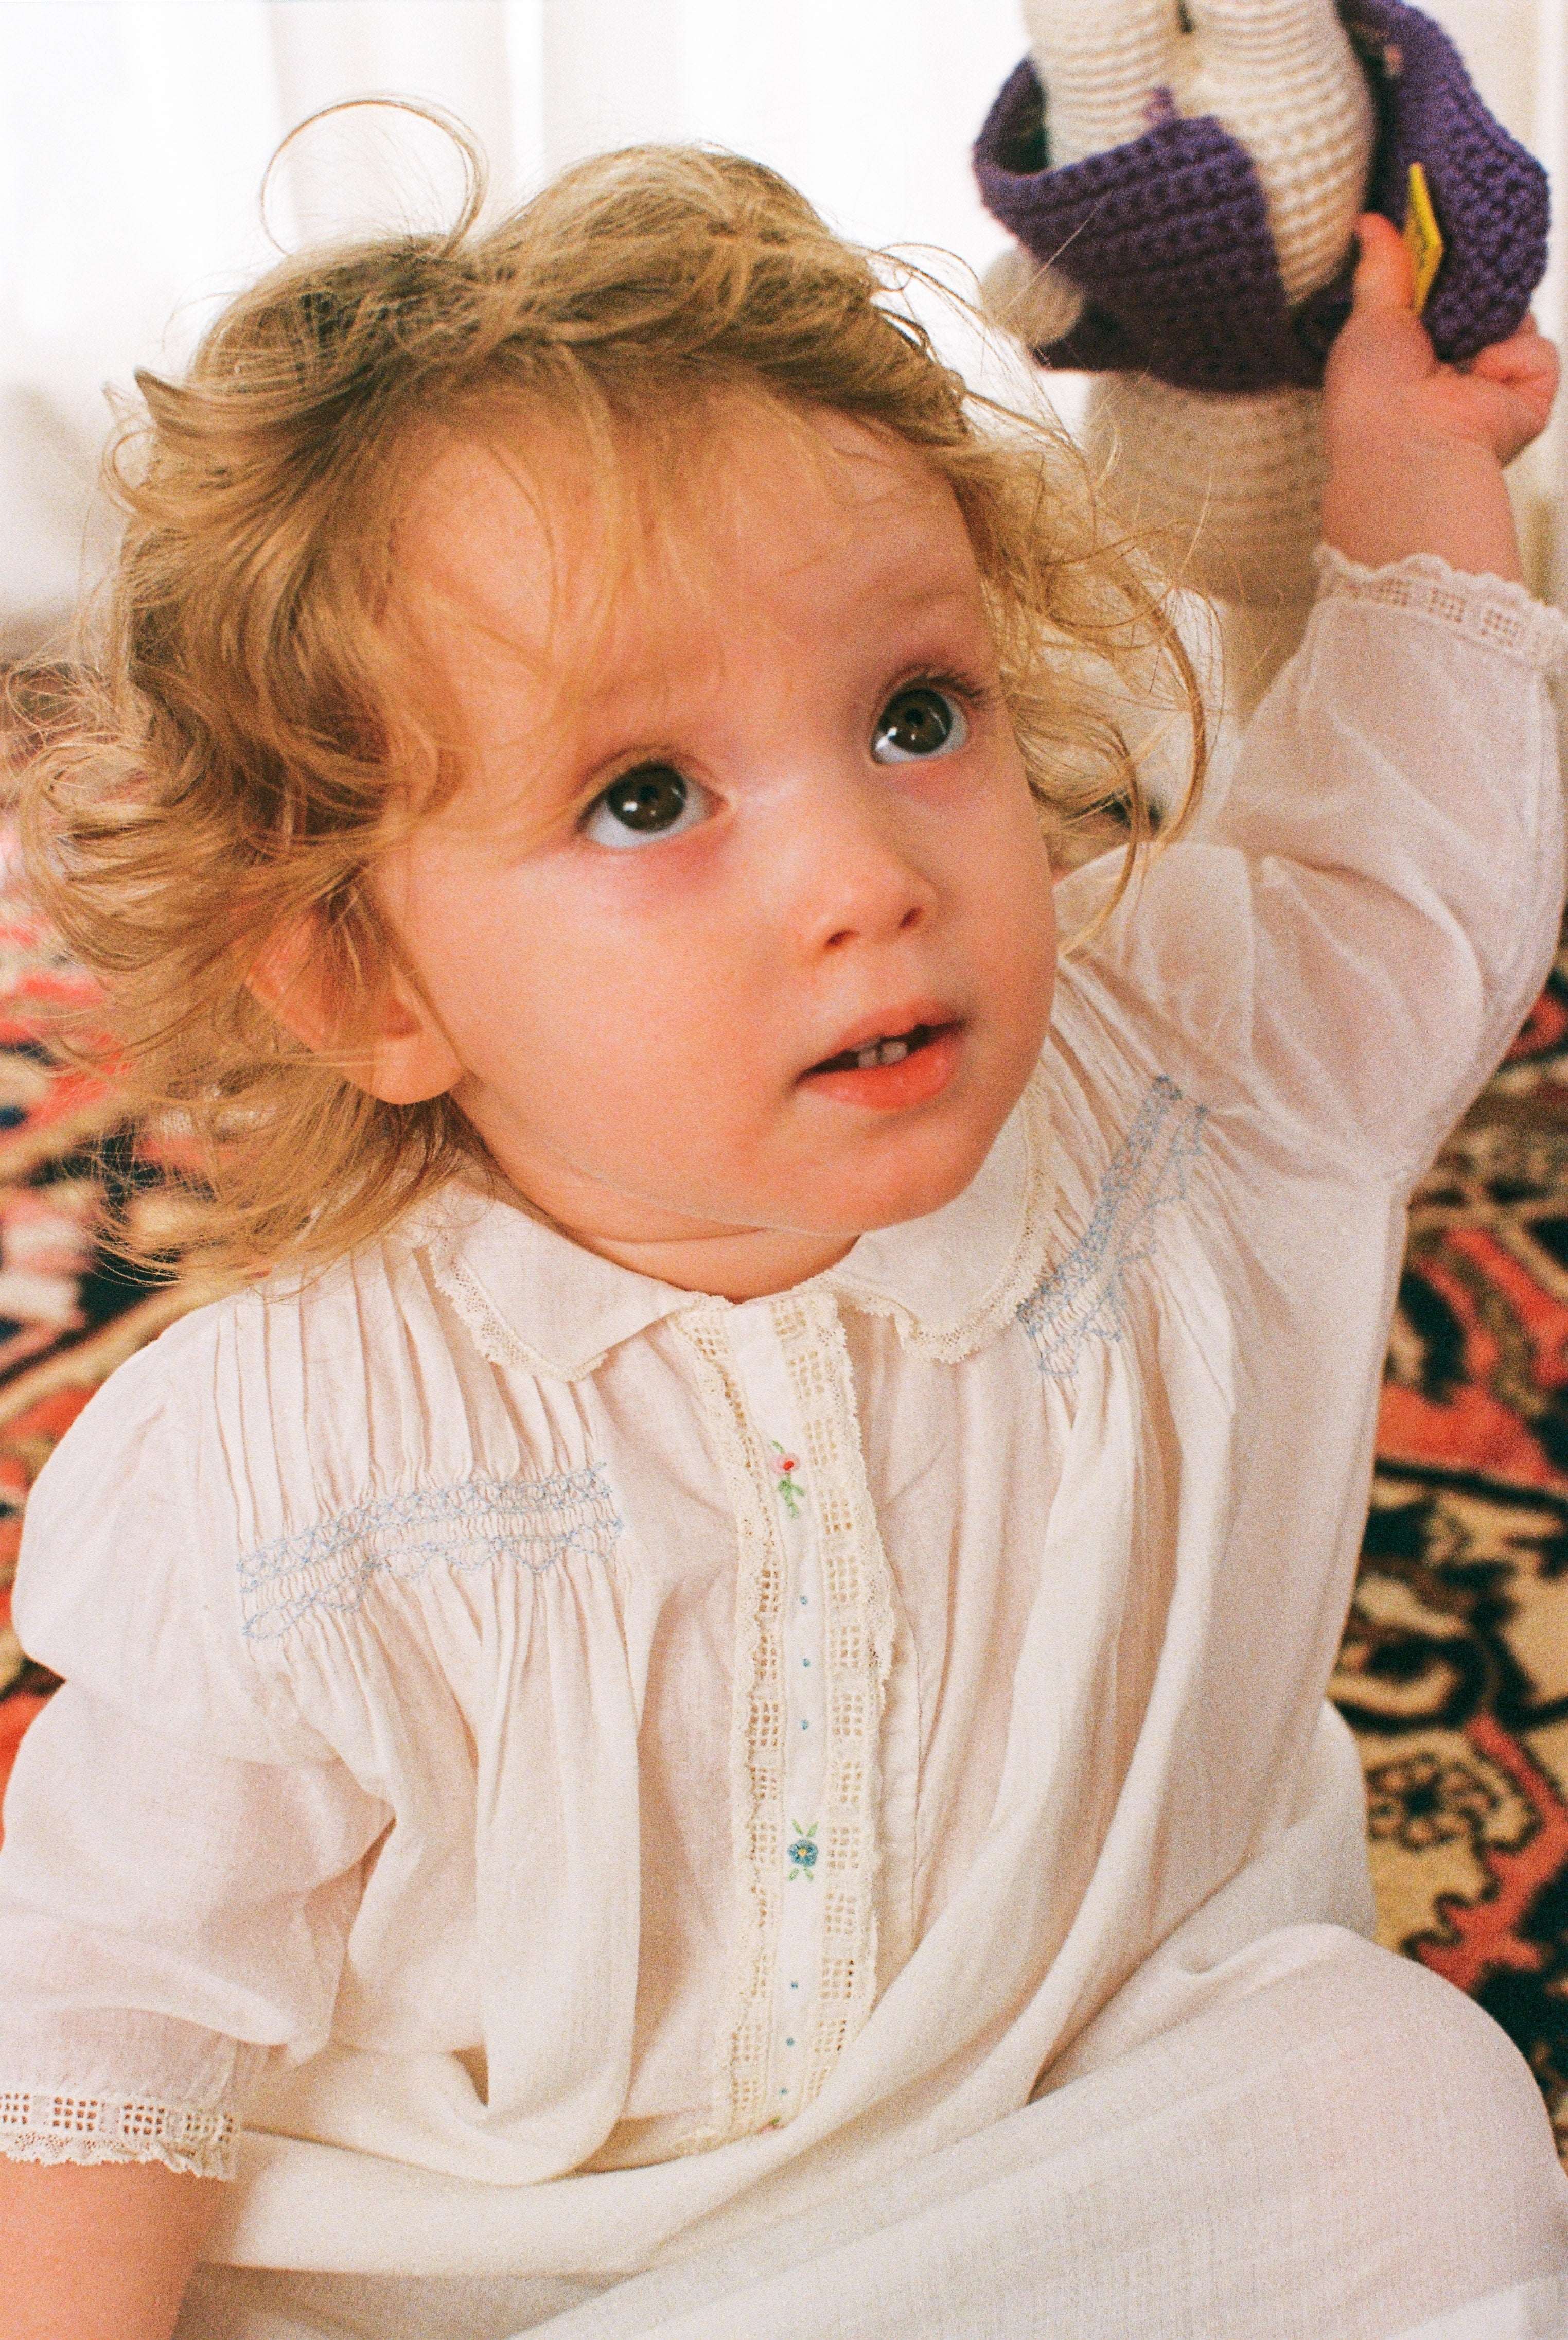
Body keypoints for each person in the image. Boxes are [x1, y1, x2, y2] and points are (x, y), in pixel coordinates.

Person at [0, 94, 1565, 2340]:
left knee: (1407, 2118)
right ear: (364, 977)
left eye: (917, 713)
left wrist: (1411, 470)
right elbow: (103, 2033)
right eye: (648, 797)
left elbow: (1402, 868)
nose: (866, 875)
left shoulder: (1208, 1103)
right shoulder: (293, 1460)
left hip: (1062, 2163)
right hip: (500, 2288)